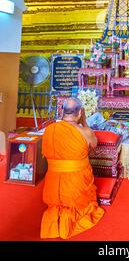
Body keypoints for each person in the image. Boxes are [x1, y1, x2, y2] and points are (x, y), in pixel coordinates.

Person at [40, 97, 104, 239]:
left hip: (52, 187)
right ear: (80, 113)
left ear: (62, 111)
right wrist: (85, 123)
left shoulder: (49, 130)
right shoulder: (84, 132)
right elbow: (94, 144)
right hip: (76, 187)